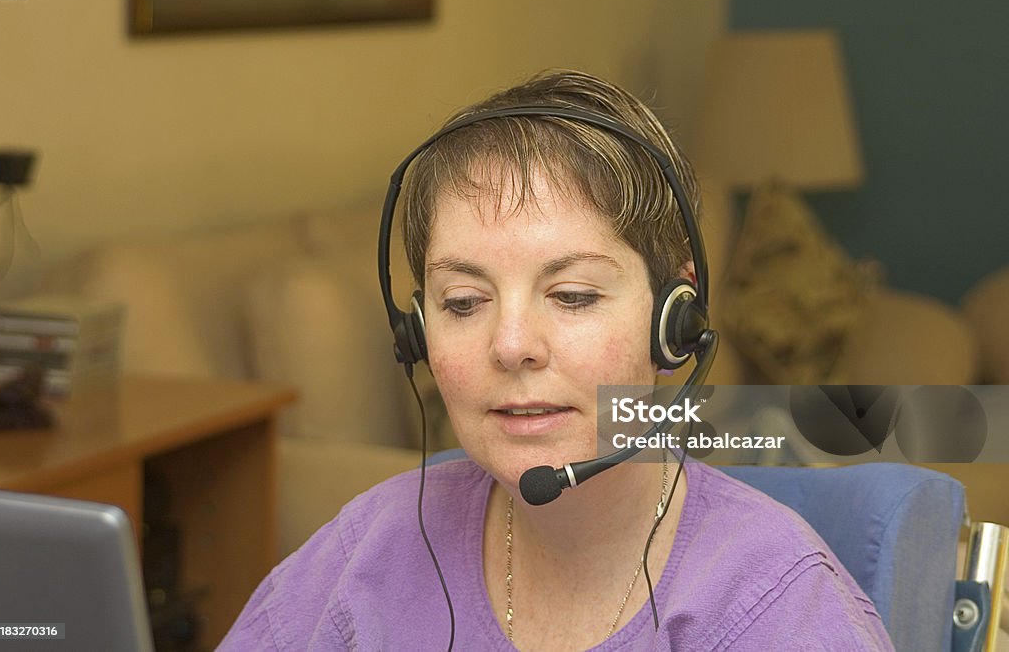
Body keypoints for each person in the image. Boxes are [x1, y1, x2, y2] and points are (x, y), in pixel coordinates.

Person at [218, 70, 895, 650]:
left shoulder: (776, 606)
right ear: (417, 330)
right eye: (462, 301)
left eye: (571, 295)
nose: (511, 345)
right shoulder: (374, 543)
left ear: (675, 321)